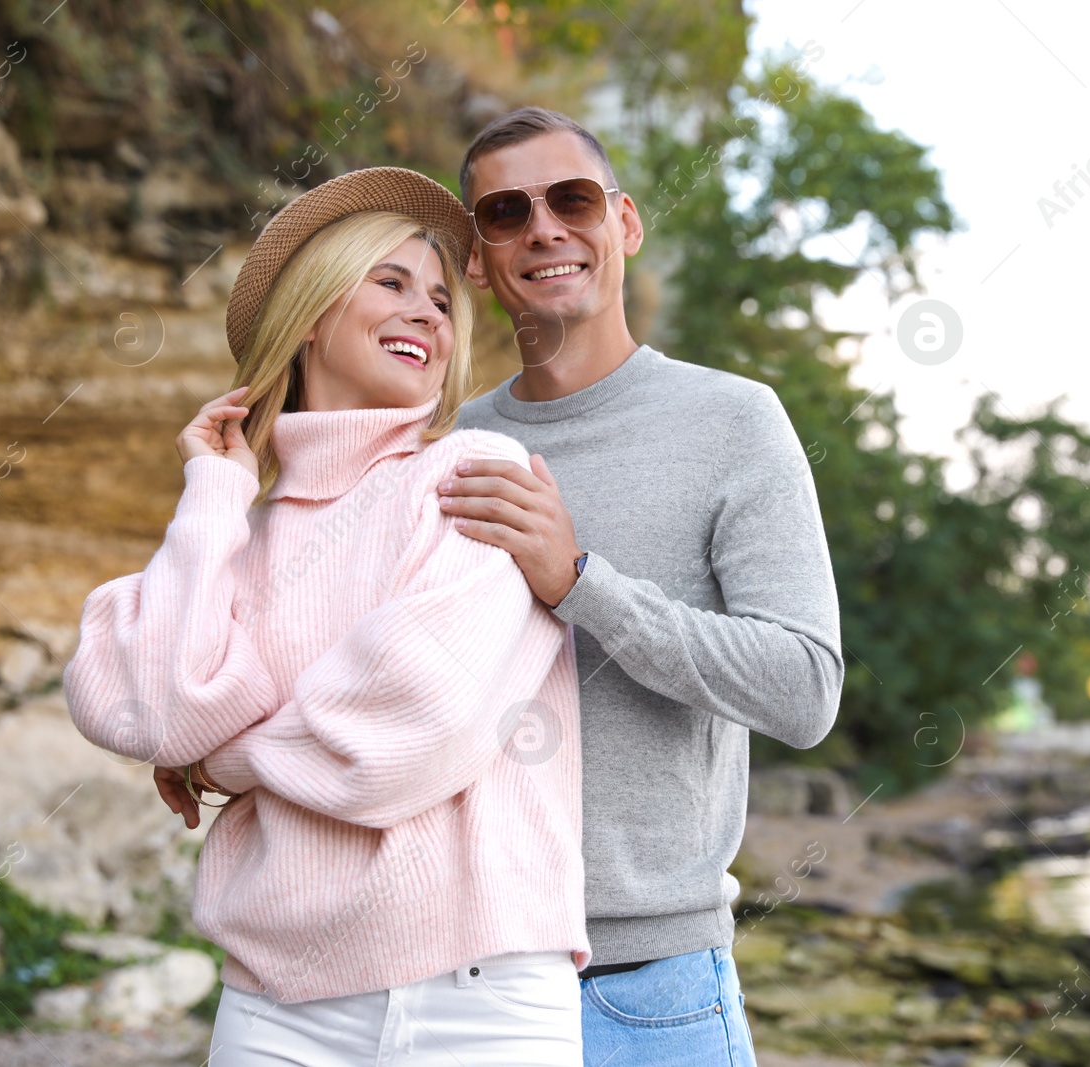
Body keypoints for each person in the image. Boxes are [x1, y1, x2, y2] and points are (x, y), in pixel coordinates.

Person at [63, 166, 589, 1066]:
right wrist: (216, 489)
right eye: (389, 282)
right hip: (275, 1005)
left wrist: (219, 752)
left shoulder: (470, 474)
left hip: (479, 994)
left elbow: (408, 729)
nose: (427, 311)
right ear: (310, 312)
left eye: (438, 299)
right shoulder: (234, 529)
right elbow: (146, 706)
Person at [434, 107, 844, 1064]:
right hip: (461, 982)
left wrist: (580, 583)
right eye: (506, 212)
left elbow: (805, 689)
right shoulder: (444, 448)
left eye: (571, 198)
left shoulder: (736, 421)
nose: (544, 228)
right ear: (478, 260)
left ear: (624, 223)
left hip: (651, 997)